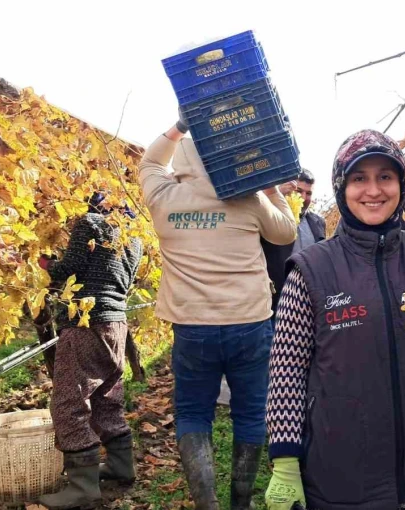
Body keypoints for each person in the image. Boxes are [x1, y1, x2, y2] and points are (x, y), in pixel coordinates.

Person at [265, 130, 405, 510]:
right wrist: (284, 460)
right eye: (359, 178)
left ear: (401, 183)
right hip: (345, 478)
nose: (373, 190)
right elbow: (287, 370)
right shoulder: (312, 270)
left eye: (385, 176)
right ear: (341, 188)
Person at [138, 119, 297, 510]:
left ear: (186, 160)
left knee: (193, 412)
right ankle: (240, 503)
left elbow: (149, 163)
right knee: (250, 412)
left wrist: (178, 128)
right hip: (250, 323)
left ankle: (207, 504)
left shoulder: (164, 196)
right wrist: (270, 186)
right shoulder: (249, 199)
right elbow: (286, 233)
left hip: (192, 328)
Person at [37, 194, 143, 510]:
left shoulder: (90, 222)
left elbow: (69, 268)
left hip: (86, 322)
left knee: (69, 400)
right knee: (105, 395)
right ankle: (122, 466)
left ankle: (82, 486)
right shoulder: (133, 234)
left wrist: (43, 262)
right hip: (116, 324)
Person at [262, 168, 326, 313]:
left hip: (310, 300)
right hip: (276, 301)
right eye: (299, 191)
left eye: (308, 193)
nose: (304, 197)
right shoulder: (272, 217)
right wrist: (276, 194)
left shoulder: (318, 222)